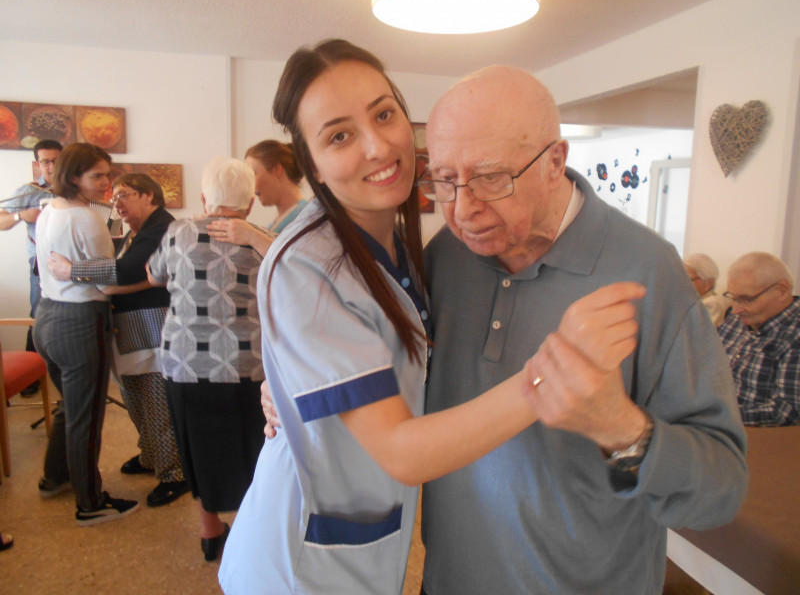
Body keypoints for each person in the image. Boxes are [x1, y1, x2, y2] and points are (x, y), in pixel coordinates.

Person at [218, 40, 642, 595]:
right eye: (339, 135)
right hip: (300, 562)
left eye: (384, 113)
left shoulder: (399, 244)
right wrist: (557, 370)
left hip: (368, 541)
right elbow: (401, 451)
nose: (377, 146)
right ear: (311, 161)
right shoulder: (307, 264)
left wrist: (287, 387)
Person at [415, 66, 748, 594]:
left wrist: (623, 431)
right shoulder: (445, 257)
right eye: (444, 179)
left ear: (555, 161)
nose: (462, 208)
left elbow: (721, 490)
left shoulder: (648, 272)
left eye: (491, 177)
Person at [147, 157, 267, 561]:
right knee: (253, 448)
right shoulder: (263, 238)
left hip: (185, 362)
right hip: (247, 362)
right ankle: (254, 532)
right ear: (250, 203)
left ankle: (210, 531)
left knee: (196, 446)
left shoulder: (178, 231)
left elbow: (153, 276)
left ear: (203, 198)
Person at [46, 173, 188, 507]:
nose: (117, 203)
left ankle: (173, 473)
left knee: (156, 402)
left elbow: (128, 271)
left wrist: (73, 271)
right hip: (130, 326)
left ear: (150, 197)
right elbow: (112, 256)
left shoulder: (162, 227)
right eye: (115, 196)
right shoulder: (131, 229)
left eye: (126, 195)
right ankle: (151, 456)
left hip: (152, 326)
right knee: (135, 398)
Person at [32, 143, 139, 526]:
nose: (106, 183)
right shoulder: (84, 218)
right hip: (79, 322)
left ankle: (55, 477)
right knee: (87, 416)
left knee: (69, 408)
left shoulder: (49, 211)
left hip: (46, 318)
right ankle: (91, 502)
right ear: (73, 176)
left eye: (108, 175)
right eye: (97, 176)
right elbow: (108, 280)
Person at [0, 139, 62, 374]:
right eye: (46, 161)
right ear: (38, 163)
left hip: (77, 265)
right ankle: (32, 372)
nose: (51, 166)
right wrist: (21, 216)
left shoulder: (78, 189)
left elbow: (109, 222)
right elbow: (1, 220)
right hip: (40, 264)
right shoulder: (29, 191)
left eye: (56, 160)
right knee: (38, 314)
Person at [718, 252, 799, 426]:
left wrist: (714, 416)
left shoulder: (794, 335)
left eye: (746, 299)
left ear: (782, 290)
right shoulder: (737, 320)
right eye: (733, 298)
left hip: (761, 440)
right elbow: (703, 362)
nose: (736, 309)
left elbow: (787, 411)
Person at [207, 140, 306, 253]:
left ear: (276, 170)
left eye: (253, 174)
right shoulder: (275, 223)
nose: (250, 185)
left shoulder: (306, 218)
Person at [684, 252, 731, 326]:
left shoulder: (712, 304)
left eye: (688, 279)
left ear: (709, 283)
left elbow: (697, 335)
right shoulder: (693, 302)